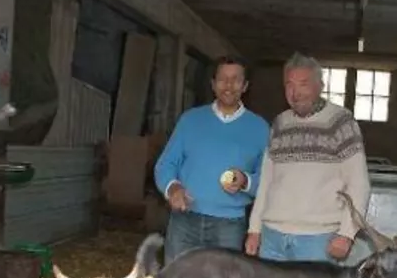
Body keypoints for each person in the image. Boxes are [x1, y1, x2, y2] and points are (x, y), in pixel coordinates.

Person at [245, 52, 371, 263]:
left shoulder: (340, 122)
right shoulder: (279, 123)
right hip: (272, 237)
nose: (295, 93)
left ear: (320, 85)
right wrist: (254, 228)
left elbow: (359, 184)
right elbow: (266, 181)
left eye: (303, 84)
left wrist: (347, 234)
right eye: (289, 85)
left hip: (318, 240)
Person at [154, 54, 270, 265]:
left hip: (229, 225)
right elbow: (166, 164)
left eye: (236, 79)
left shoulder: (260, 128)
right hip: (185, 219)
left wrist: (246, 181)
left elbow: (269, 179)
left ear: (245, 86)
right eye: (223, 79)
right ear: (213, 84)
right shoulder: (190, 120)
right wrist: (172, 188)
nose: (229, 85)